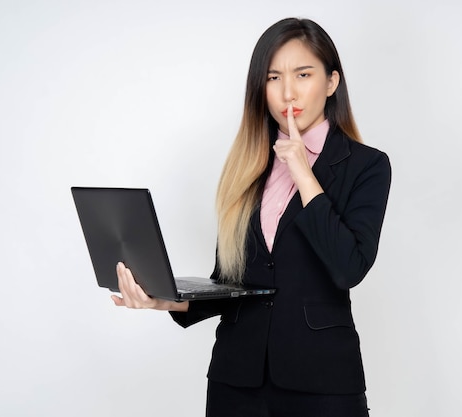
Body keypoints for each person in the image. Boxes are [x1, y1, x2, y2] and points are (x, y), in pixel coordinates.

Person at [111, 17, 391, 417]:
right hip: (236, 382)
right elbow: (233, 284)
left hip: (322, 383)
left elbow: (349, 267)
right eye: (274, 77)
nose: (288, 91)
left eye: (303, 74)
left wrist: (302, 172)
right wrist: (162, 300)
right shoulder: (248, 165)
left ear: (331, 83)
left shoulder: (367, 166)